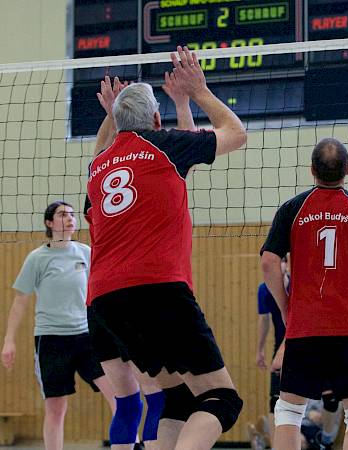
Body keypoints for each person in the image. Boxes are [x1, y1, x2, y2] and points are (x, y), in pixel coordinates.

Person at [85, 46, 247, 450]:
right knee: (222, 399)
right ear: (156, 121)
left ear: (116, 124)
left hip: (105, 303)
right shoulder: (164, 145)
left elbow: (104, 153)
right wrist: (198, 91)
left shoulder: (98, 169)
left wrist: (114, 116)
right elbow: (236, 133)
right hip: (157, 290)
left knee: (178, 396)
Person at [260, 137, 348, 450]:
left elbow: (269, 262)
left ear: (312, 170)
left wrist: (285, 307)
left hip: (305, 326)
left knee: (288, 410)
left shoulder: (292, 209)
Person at [1, 201, 116, 450]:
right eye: (63, 214)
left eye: (72, 214)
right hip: (51, 340)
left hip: (87, 337)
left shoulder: (85, 252)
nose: (70, 218)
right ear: (49, 222)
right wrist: (9, 340)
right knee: (56, 408)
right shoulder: (37, 258)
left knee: (119, 396)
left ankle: (131, 444)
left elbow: (101, 294)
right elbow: (20, 301)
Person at [250, 255, 289, 450]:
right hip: (279, 350)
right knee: (275, 400)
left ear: (287, 264)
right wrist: (259, 350)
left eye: (282, 260)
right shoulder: (264, 290)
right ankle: (275, 445)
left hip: (303, 346)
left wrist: (283, 350)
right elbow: (264, 320)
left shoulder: (298, 286)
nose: (278, 265)